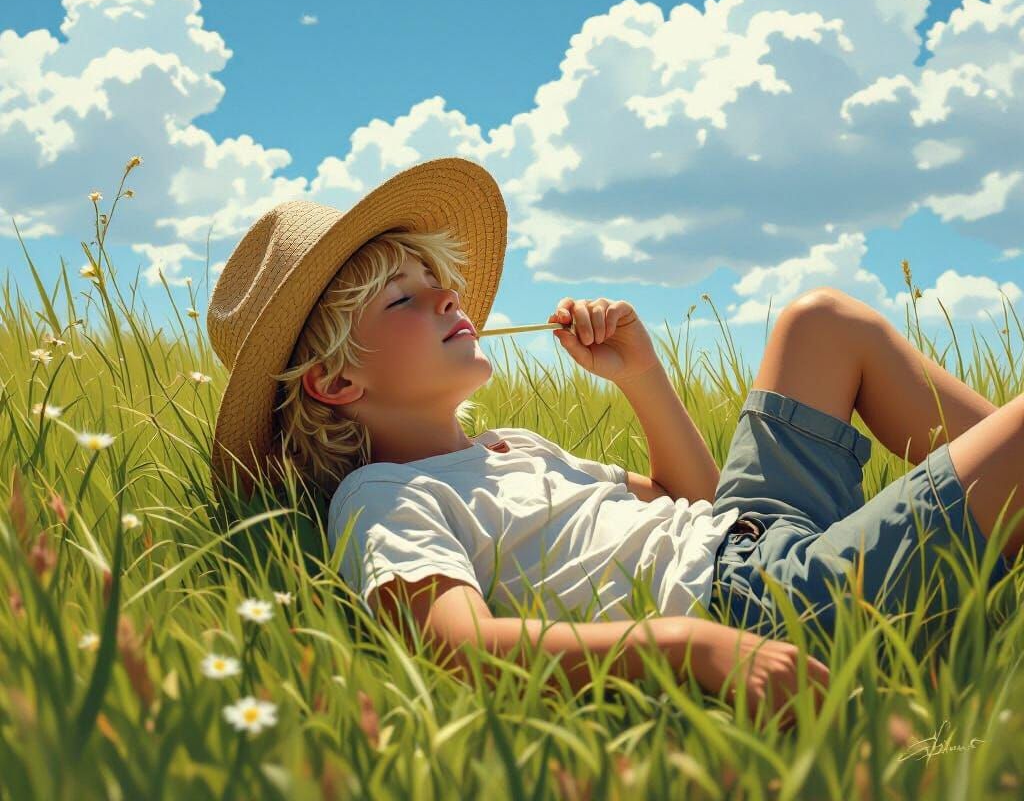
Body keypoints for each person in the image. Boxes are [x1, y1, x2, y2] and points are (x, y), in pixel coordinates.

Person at [205, 156, 1018, 729]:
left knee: (822, 322)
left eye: (439, 282)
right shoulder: (384, 496)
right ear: (338, 384)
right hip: (756, 602)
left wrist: (640, 377)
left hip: (748, 536)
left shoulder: (511, 446)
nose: (448, 296)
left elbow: (699, 504)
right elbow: (462, 649)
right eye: (405, 300)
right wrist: (687, 642)